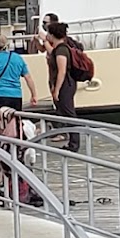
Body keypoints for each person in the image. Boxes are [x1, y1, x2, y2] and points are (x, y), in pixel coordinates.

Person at [44, 22, 80, 151]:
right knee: (66, 112)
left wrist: (57, 90)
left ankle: (74, 143)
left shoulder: (61, 50)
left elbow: (62, 71)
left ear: (53, 35)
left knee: (69, 113)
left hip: (66, 85)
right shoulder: (59, 49)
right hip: (66, 84)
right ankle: (72, 141)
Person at [0, 35, 38, 110]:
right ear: (8, 45)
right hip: (16, 96)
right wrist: (34, 95)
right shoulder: (18, 58)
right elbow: (28, 78)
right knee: (15, 119)